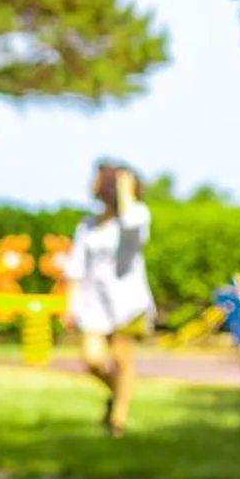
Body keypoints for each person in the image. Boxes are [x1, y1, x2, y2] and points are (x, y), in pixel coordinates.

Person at [66, 159, 153, 436]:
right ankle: (117, 395)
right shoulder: (88, 225)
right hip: (95, 306)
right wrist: (70, 303)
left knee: (122, 360)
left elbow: (130, 224)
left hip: (128, 304)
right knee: (92, 359)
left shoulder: (137, 214)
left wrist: (126, 190)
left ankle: (118, 420)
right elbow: (76, 267)